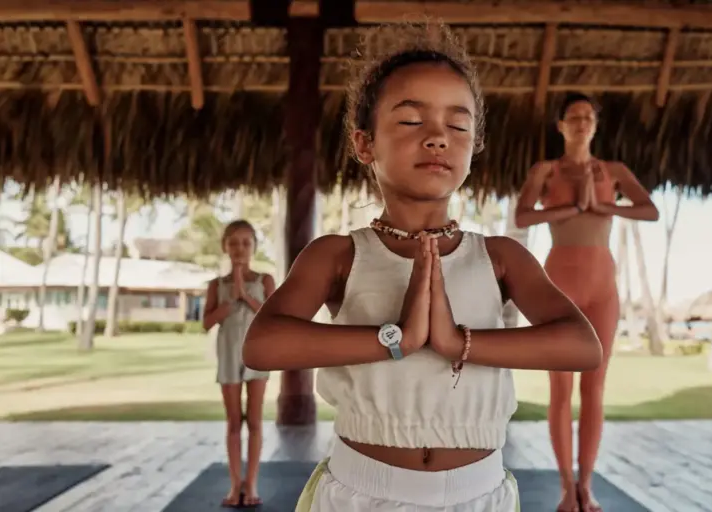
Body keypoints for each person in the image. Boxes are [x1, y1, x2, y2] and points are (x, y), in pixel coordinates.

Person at [244, 22, 603, 511]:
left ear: (474, 147)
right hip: (359, 496)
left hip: (478, 498)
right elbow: (262, 345)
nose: (437, 137)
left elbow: (583, 345)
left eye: (458, 125)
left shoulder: (500, 257)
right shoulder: (339, 255)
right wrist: (395, 340)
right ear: (365, 144)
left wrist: (459, 343)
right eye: (412, 121)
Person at [515, 92, 659, 512]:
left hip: (602, 287)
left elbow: (649, 210)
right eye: (574, 117)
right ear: (560, 125)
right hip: (558, 283)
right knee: (560, 389)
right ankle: (566, 487)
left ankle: (587, 486)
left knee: (595, 387)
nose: (582, 122)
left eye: (588, 117)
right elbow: (522, 216)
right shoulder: (545, 171)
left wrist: (602, 205)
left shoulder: (613, 171)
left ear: (595, 126)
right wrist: (570, 209)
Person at [202, 219, 275, 508]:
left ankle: (251, 483)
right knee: (234, 422)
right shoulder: (216, 285)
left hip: (257, 355)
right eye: (233, 243)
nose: (239, 248)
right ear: (225, 246)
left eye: (246, 243)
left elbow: (273, 317)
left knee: (254, 421)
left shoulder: (264, 280)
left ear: (254, 246)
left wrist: (245, 295)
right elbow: (206, 323)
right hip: (229, 357)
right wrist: (231, 300)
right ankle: (235, 485)